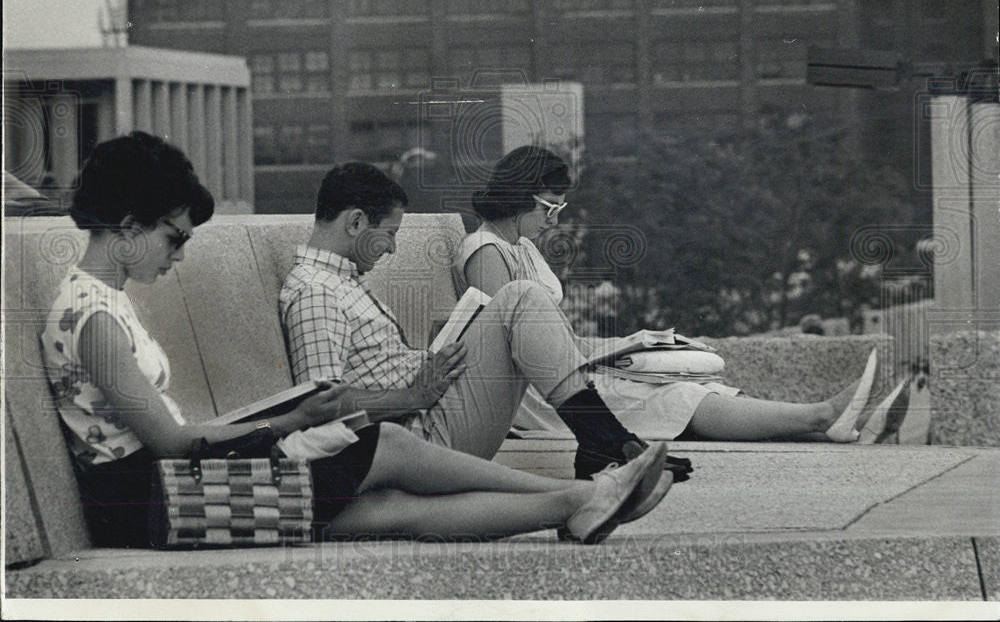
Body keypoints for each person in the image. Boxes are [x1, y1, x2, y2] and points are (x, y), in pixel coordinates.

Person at [41, 132, 674, 549]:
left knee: (394, 511)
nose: (178, 255)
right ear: (127, 228)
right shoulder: (92, 317)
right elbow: (173, 442)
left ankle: (581, 501)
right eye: (174, 237)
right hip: (158, 501)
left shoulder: (97, 302)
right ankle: (594, 491)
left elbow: (169, 438)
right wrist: (294, 416)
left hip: (163, 498)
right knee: (387, 452)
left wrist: (292, 418)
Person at [454, 145, 910, 448]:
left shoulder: (523, 248)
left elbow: (551, 334)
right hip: (542, 394)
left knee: (688, 386)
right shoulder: (485, 251)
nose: (555, 219)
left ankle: (835, 427)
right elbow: (513, 346)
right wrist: (607, 357)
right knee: (673, 397)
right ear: (520, 197)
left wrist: (624, 347)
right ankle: (824, 414)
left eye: (561, 209)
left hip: (568, 367)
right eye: (550, 207)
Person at [279, 162, 689, 482]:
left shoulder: (338, 282)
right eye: (389, 234)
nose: (391, 249)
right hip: (420, 433)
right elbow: (322, 409)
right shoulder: (316, 292)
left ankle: (603, 441)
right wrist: (412, 397)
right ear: (354, 223)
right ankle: (605, 440)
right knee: (520, 297)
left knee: (519, 299)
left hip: (430, 417)